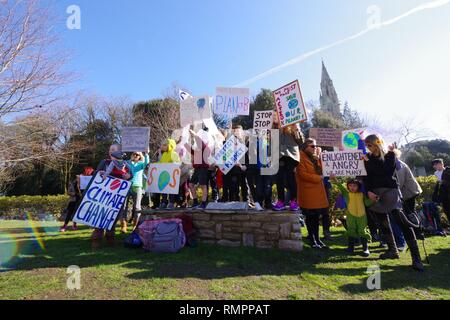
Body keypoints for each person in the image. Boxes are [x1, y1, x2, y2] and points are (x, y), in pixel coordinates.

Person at [363, 134, 424, 271]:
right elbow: (366, 178)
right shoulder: (368, 159)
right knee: (383, 222)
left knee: (402, 222)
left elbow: (383, 172)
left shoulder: (390, 156)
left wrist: (367, 161)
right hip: (375, 194)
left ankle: (416, 258)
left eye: (370, 145)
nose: (368, 148)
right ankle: (392, 251)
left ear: (377, 144)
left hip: (391, 192)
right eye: (367, 145)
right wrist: (368, 192)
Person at [92, 144, 133, 248]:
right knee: (101, 214)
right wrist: (100, 173)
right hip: (104, 195)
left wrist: (129, 176)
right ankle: (97, 236)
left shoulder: (124, 164)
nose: (111, 151)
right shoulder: (105, 162)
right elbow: (96, 173)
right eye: (110, 149)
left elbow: (130, 174)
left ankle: (110, 236)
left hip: (117, 196)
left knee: (113, 216)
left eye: (114, 150)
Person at [296, 138, 330, 249]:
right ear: (305, 147)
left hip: (317, 191)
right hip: (308, 192)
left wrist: (323, 158)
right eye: (312, 146)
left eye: (315, 146)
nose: (315, 148)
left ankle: (317, 239)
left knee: (315, 217)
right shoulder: (300, 156)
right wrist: (318, 178)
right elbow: (302, 174)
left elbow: (322, 170)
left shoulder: (315, 157)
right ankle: (313, 240)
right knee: (311, 217)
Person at [331, 176, 372, 257]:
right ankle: (350, 248)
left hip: (362, 216)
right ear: (348, 186)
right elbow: (340, 186)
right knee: (351, 231)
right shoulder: (347, 194)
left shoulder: (362, 195)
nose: (352, 187)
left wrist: (373, 199)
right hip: (351, 216)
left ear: (358, 187)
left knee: (362, 231)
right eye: (350, 185)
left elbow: (367, 203)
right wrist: (334, 180)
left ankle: (365, 249)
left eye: (354, 186)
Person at [273, 120, 303, 211]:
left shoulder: (293, 125)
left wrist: (296, 131)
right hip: (279, 156)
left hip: (291, 156)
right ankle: (281, 202)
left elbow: (300, 141)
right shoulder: (273, 128)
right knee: (279, 179)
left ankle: (294, 202)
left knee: (291, 179)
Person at [185, 128, 211, 209]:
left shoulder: (204, 145)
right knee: (191, 184)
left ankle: (203, 203)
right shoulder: (198, 146)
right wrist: (184, 143)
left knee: (203, 185)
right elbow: (193, 152)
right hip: (197, 168)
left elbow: (200, 142)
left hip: (203, 168)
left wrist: (194, 134)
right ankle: (195, 202)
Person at [127, 150, 149, 231]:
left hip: (138, 187)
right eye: (134, 154)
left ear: (140, 156)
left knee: (137, 207)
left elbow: (146, 163)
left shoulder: (141, 164)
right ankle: (123, 224)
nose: (136, 156)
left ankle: (135, 226)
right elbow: (120, 163)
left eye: (138, 154)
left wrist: (146, 154)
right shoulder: (128, 163)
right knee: (124, 207)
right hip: (127, 186)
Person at [156, 138, 181, 209]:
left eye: (164, 145)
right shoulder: (164, 154)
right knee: (164, 189)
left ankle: (171, 202)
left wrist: (173, 164)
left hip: (171, 176)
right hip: (164, 176)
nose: (162, 146)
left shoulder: (174, 154)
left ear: (170, 146)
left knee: (171, 190)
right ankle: (164, 202)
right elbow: (160, 162)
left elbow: (178, 164)